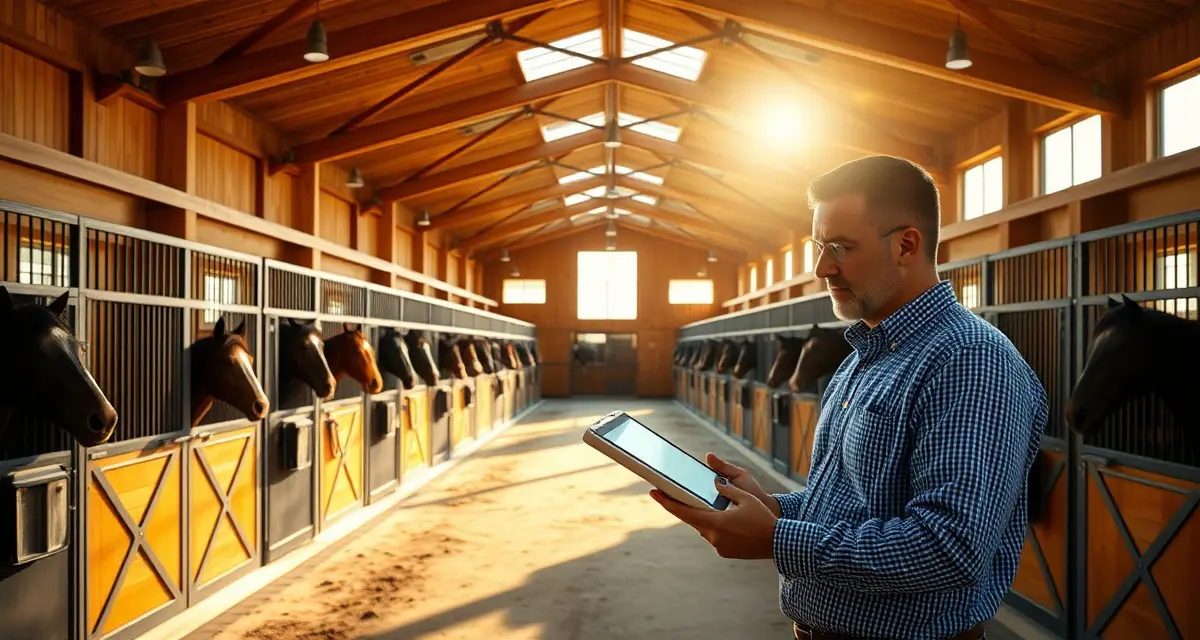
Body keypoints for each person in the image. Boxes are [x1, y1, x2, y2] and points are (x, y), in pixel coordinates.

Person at [650, 155, 1047, 640]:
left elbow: (949, 548)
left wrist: (777, 539)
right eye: (820, 245)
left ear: (906, 245)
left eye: (840, 246)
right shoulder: (864, 354)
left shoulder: (969, 361)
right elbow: (854, 505)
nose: (822, 267)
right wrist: (772, 508)